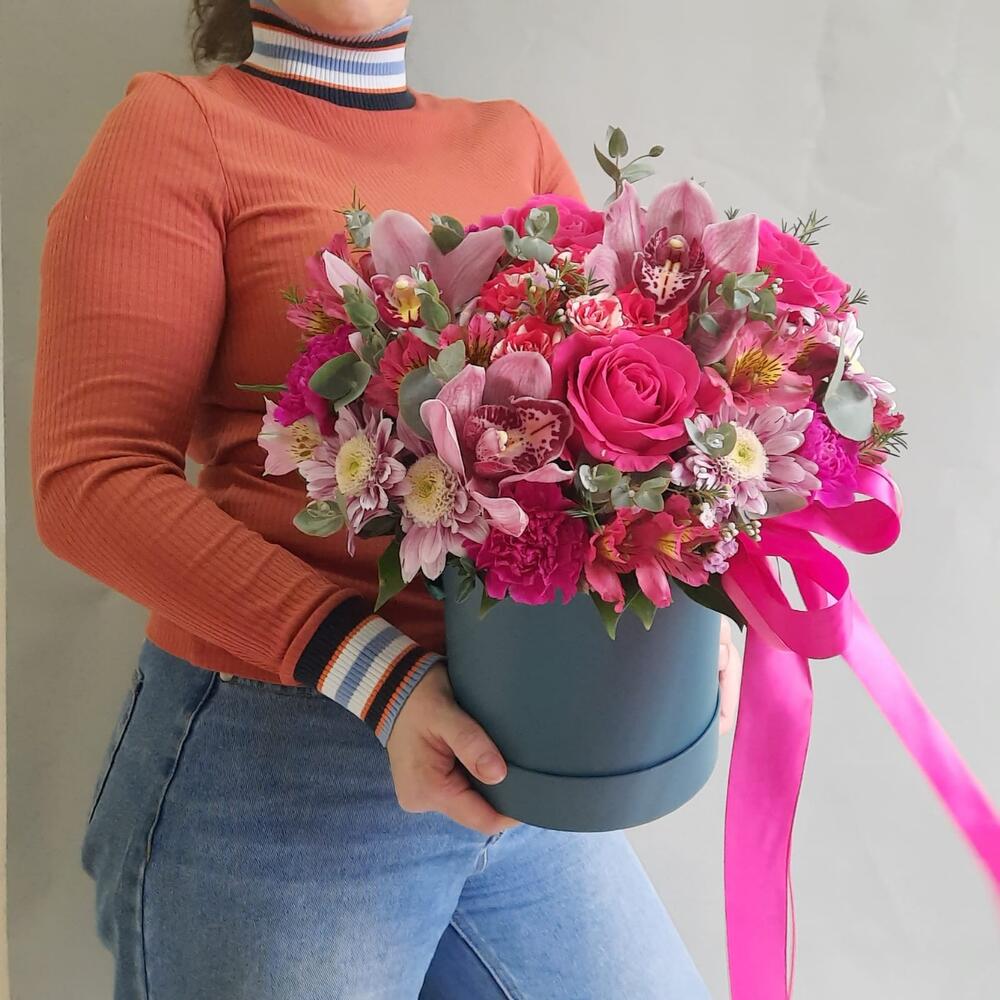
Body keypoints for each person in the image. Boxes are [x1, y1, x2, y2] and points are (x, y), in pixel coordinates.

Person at [30, 1, 741, 996]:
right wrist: (380, 679)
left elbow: (604, 444)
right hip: (275, 769)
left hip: (522, 748)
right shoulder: (175, 130)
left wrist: (688, 599)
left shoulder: (515, 143)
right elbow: (92, 479)